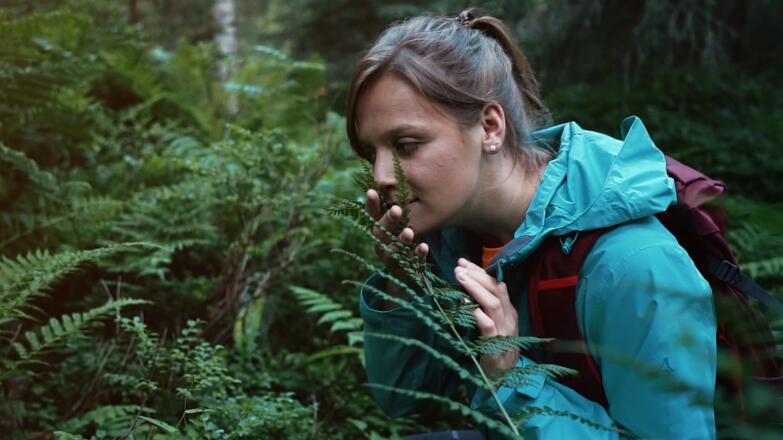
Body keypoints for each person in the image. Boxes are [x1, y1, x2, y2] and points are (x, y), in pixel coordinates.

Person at [346, 8, 717, 439]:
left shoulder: (635, 266)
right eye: (371, 154)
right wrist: (400, 285)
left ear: (489, 126)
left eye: (407, 145)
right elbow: (405, 400)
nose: (382, 176)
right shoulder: (454, 240)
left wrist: (511, 376)